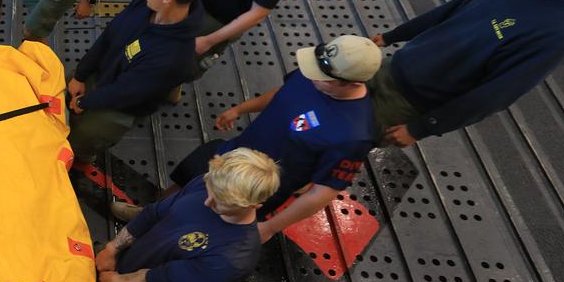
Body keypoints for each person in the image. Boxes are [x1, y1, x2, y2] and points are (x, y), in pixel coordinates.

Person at [117, 35, 381, 244]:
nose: (310, 75)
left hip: (253, 187)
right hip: (234, 153)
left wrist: (268, 227)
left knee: (201, 223)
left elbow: (322, 193)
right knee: (185, 181)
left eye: (321, 78)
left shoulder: (354, 135)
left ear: (350, 83)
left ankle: (158, 241)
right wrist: (242, 108)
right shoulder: (315, 74)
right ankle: (147, 217)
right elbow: (282, 92)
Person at [368, 0, 564, 148]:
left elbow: (496, 94)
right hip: (393, 66)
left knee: (331, 143)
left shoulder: (556, 35)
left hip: (405, 103)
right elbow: (455, 8)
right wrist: (392, 36)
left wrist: (422, 128)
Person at [93, 148, 279, 282]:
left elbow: (162, 278)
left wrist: (117, 281)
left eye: (222, 201)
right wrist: (112, 248)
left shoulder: (234, 258)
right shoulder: (208, 184)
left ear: (255, 204)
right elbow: (153, 214)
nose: (207, 202)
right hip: (124, 259)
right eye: (211, 189)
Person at [65, 0, 204, 161]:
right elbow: (110, 34)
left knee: (86, 135)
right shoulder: (147, 3)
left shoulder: (173, 59)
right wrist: (81, 74)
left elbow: (126, 92)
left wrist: (85, 103)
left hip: (123, 104)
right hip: (107, 72)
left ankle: (81, 156)